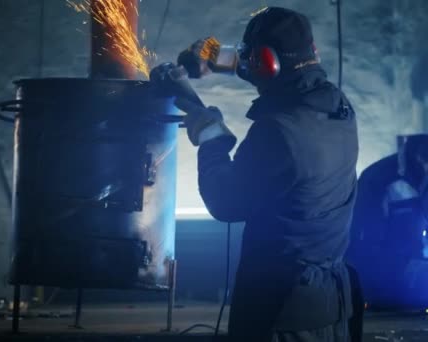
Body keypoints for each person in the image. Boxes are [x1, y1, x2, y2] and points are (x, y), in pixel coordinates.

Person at [173, 7, 360, 342]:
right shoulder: (336, 104)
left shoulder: (277, 132)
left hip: (281, 316)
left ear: (267, 63)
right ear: (312, 51)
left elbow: (226, 202)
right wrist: (214, 55)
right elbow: (272, 69)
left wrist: (211, 136)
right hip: (330, 307)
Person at [347, 134, 428, 309]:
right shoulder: (377, 179)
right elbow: (366, 249)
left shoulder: (422, 176)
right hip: (386, 289)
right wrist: (412, 270)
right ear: (420, 158)